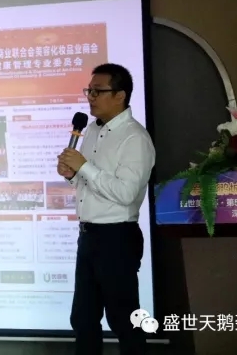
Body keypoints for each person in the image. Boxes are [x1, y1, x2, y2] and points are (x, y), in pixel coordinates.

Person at [57, 63, 155, 355]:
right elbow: (89, 184)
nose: (91, 97)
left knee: (124, 321)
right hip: (88, 236)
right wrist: (73, 175)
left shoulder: (135, 138)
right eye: (89, 90)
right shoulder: (90, 130)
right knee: (83, 318)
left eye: (98, 91)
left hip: (117, 238)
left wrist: (85, 167)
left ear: (120, 95)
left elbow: (125, 193)